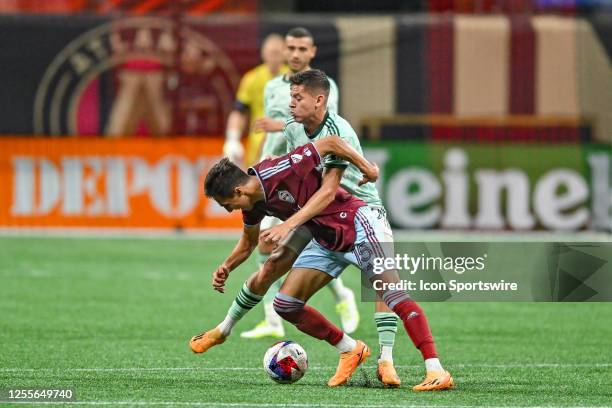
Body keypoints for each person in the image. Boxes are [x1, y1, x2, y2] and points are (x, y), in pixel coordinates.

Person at [198, 132, 454, 390]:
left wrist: (366, 167)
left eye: (225, 204)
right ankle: (350, 349)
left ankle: (436, 370)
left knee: (394, 297)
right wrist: (227, 266)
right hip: (325, 238)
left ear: (238, 190)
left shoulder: (281, 169)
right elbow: (248, 242)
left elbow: (332, 142)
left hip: (358, 224)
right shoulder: (252, 202)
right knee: (286, 304)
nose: (228, 209)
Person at [239, 27, 359, 341]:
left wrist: (278, 125)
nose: (294, 54)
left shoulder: (324, 85)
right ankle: (271, 320)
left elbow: (321, 128)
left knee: (305, 245)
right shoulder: (269, 86)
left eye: (301, 49)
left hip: (303, 177)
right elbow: (274, 134)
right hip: (274, 174)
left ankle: (342, 296)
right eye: (290, 48)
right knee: (266, 247)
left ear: (312, 52)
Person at [222, 33, 287, 167]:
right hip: (258, 146)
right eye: (271, 53)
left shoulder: (293, 79)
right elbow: (239, 111)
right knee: (255, 184)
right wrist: (232, 138)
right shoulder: (252, 79)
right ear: (263, 54)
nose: (274, 57)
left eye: (278, 53)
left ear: (285, 54)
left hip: (286, 145)